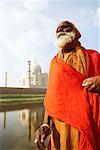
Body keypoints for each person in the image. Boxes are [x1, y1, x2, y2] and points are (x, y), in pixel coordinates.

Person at [35, 21, 100, 150]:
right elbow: (51, 96)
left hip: (87, 123)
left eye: (65, 27)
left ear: (75, 32)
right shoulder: (55, 63)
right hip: (60, 127)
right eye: (58, 29)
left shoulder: (94, 56)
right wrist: (45, 124)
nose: (60, 30)